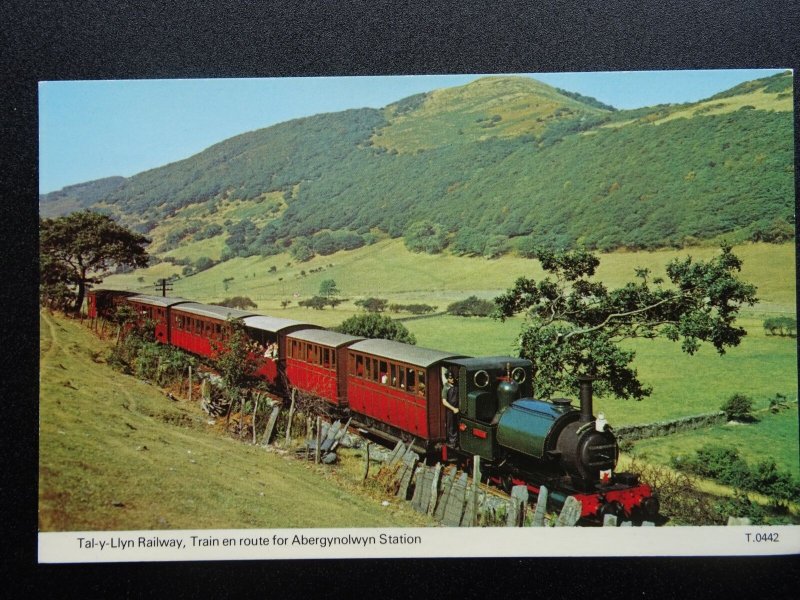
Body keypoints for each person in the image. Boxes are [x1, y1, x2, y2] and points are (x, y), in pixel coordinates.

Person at [442, 371, 459, 447]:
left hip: (457, 408)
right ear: (447, 379)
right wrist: (453, 409)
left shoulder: (455, 385)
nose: (452, 380)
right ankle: (452, 442)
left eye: (453, 378)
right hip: (451, 409)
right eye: (450, 378)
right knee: (451, 425)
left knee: (456, 424)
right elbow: (444, 402)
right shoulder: (446, 388)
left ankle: (456, 440)